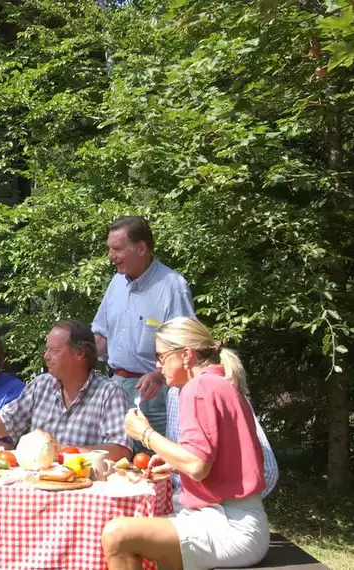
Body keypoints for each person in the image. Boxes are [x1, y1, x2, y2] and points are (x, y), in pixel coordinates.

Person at [102, 317, 269, 570]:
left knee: (117, 535)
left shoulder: (198, 388)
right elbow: (215, 458)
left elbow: (197, 465)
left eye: (161, 357)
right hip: (237, 519)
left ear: (186, 355)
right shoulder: (219, 382)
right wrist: (173, 461)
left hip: (229, 524)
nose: (158, 366)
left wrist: (145, 434)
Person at [0, 320, 133, 459]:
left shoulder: (110, 393)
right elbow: (1, 425)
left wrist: (66, 451)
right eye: (47, 349)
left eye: (55, 351)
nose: (46, 356)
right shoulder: (40, 385)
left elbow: (121, 449)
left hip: (87, 491)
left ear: (80, 353)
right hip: (40, 486)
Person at [91, 216, 195, 447]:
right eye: (109, 248)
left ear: (141, 248)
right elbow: (100, 337)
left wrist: (158, 375)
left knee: (152, 464)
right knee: (115, 460)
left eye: (117, 249)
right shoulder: (116, 283)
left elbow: (187, 346)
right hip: (114, 387)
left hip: (156, 395)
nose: (111, 256)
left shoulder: (173, 286)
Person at [166, 383, 279, 508]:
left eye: (162, 361)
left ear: (187, 362)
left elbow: (269, 470)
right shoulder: (173, 393)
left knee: (141, 526)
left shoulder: (219, 390)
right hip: (183, 500)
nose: (157, 367)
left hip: (221, 511)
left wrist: (146, 434)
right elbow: (192, 462)